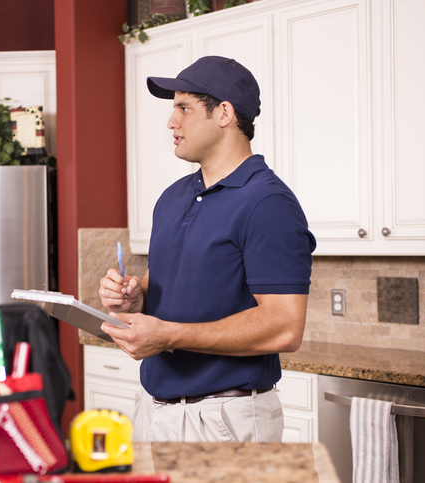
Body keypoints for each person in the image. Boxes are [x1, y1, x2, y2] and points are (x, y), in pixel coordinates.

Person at [98, 55, 316, 443]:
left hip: (224, 422)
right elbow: (162, 283)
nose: (171, 121)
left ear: (224, 114)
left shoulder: (268, 204)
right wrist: (134, 297)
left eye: (184, 108)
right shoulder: (173, 197)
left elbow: (285, 327)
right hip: (155, 412)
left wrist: (168, 335)